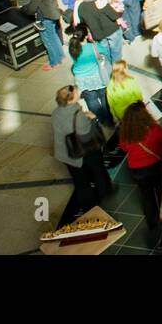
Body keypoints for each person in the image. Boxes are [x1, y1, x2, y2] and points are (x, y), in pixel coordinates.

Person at [51, 85, 112, 226]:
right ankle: (105, 193)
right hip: (83, 151)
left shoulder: (56, 112)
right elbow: (85, 134)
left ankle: (88, 207)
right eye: (76, 92)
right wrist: (92, 118)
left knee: (80, 181)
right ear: (71, 99)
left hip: (66, 154)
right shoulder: (77, 115)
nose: (79, 92)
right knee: (98, 170)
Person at [117, 100, 162, 226]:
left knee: (146, 195)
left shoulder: (126, 133)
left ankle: (152, 221)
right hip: (155, 164)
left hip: (137, 170)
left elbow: (123, 148)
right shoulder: (154, 129)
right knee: (161, 190)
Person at [105, 60, 144, 125]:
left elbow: (111, 104)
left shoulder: (110, 86)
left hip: (121, 114)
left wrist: (115, 117)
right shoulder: (130, 80)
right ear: (124, 69)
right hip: (135, 110)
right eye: (126, 67)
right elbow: (139, 96)